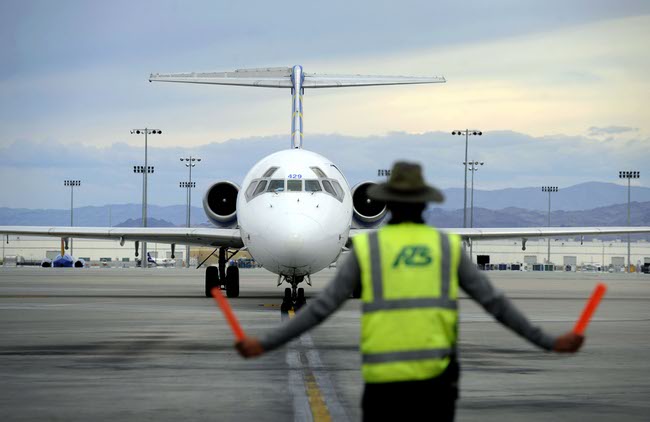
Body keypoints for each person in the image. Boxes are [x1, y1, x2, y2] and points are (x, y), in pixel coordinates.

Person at [235, 161, 584, 421]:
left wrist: (264, 343)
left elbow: (321, 309)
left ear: (390, 206)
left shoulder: (371, 251)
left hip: (384, 385)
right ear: (422, 204)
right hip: (436, 384)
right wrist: (547, 341)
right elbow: (495, 305)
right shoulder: (443, 248)